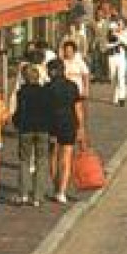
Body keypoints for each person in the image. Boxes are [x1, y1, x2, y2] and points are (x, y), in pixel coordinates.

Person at [45, 57, 84, 205]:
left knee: (53, 156)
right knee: (66, 158)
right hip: (69, 123)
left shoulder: (47, 88)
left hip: (52, 124)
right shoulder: (73, 86)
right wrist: (81, 128)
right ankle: (62, 191)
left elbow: (45, 110)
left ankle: (56, 187)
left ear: (53, 71)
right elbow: (78, 108)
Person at [12, 64, 50, 207]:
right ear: (38, 77)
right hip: (42, 128)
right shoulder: (45, 92)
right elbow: (49, 111)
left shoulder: (22, 93)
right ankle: (38, 196)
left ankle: (23, 194)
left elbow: (19, 112)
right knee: (41, 160)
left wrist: (16, 123)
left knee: (24, 161)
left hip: (26, 129)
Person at [105, 22, 127, 107]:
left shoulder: (124, 34)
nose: (116, 29)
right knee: (113, 77)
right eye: (113, 28)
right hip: (111, 58)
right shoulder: (108, 36)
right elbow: (107, 46)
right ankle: (115, 96)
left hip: (121, 58)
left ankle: (122, 98)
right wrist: (116, 43)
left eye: (118, 26)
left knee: (121, 77)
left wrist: (119, 36)